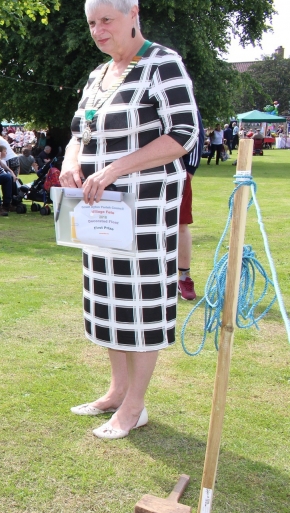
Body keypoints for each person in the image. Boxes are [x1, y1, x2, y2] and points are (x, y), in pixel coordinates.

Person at [60, 0, 199, 439]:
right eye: (91, 23)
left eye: (107, 20)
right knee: (109, 301)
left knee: (141, 303)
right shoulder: (97, 76)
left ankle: (135, 407)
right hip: (100, 213)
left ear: (133, 13)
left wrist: (115, 168)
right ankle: (116, 391)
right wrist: (72, 158)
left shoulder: (162, 64)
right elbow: (78, 132)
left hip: (144, 212)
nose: (98, 30)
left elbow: (182, 134)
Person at [177, 109, 203, 301]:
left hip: (178, 172)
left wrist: (189, 171)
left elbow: (196, 133)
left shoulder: (182, 95)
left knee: (180, 224)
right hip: (139, 175)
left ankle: (184, 277)